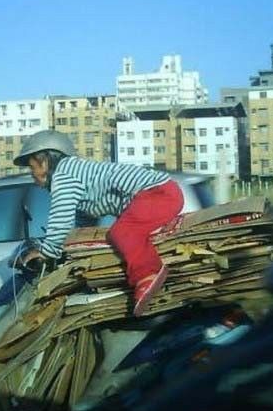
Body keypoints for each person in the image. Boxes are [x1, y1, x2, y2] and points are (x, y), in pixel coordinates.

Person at [13, 129, 184, 316]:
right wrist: (72, 248)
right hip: (157, 193)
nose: (32, 174)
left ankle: (148, 275)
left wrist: (46, 251)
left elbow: (60, 217)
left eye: (32, 168)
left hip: (157, 193)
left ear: (45, 161)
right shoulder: (77, 173)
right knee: (119, 235)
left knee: (122, 233)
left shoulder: (63, 175)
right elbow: (84, 223)